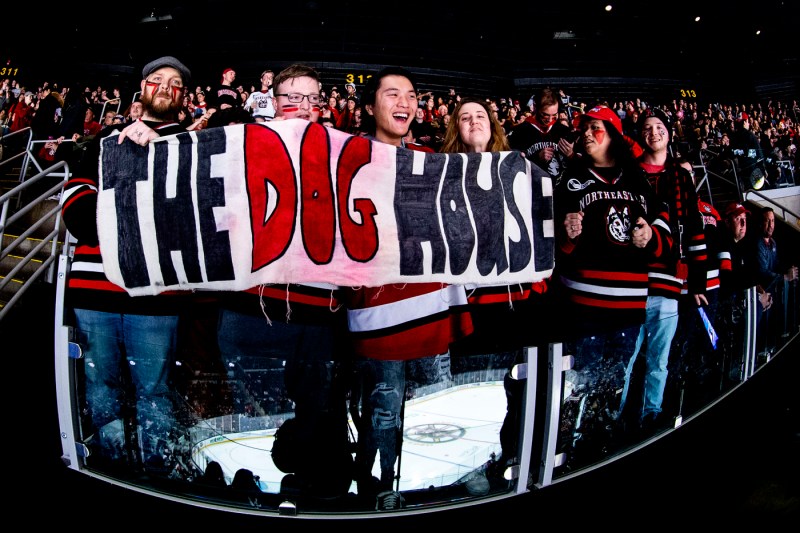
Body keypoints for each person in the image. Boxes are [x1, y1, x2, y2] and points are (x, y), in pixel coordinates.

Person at [215, 63, 353, 500]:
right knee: (251, 413)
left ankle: (312, 493)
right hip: (250, 310)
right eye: (293, 97)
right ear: (274, 103)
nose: (303, 106)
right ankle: (250, 492)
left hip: (317, 315)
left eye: (312, 98)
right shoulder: (241, 146)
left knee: (315, 413)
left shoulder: (345, 152)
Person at [344, 66, 473, 511]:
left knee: (438, 403)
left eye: (412, 95)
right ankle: (378, 492)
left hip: (433, 307)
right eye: (392, 94)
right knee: (382, 412)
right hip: (379, 315)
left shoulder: (430, 160)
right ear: (368, 107)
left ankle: (429, 486)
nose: (404, 102)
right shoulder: (348, 159)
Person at [60, 55, 194, 473]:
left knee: (155, 389)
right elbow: (75, 210)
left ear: (184, 98)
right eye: (157, 80)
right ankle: (111, 465)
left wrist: (125, 194)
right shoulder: (104, 142)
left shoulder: (194, 151)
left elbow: (189, 220)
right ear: (143, 91)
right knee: (100, 384)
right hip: (93, 286)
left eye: (175, 83)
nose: (166, 87)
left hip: (155, 293)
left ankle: (158, 472)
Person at [441, 96, 550, 494]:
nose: (473, 122)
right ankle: (478, 469)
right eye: (465, 117)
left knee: (516, 389)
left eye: (480, 115)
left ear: (493, 124)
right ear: (456, 127)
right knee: (476, 390)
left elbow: (542, 217)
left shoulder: (518, 167)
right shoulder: (445, 172)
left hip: (519, 302)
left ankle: (513, 461)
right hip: (473, 305)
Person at [553, 104, 671, 460]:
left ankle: (600, 450)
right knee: (578, 385)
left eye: (595, 128)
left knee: (615, 384)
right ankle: (568, 453)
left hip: (629, 309)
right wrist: (567, 233)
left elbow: (665, 228)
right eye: (583, 128)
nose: (586, 134)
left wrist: (651, 236)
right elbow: (554, 243)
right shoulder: (571, 177)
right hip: (585, 308)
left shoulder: (637, 178)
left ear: (614, 134)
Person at [618, 108, 707, 433]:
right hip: (630, 283)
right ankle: (614, 420)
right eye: (647, 127)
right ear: (640, 135)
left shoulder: (681, 177)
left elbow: (695, 230)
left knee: (658, 362)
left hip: (668, 282)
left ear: (669, 133)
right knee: (624, 360)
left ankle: (650, 417)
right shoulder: (629, 173)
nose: (653, 132)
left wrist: (697, 281)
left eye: (659, 126)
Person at [753, 206, 798, 355]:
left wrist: (788, 269)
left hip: (774, 292)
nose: (771, 225)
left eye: (772, 221)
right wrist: (784, 277)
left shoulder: (773, 243)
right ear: (761, 223)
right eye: (767, 221)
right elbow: (762, 272)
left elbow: (776, 264)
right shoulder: (758, 244)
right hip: (760, 294)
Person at [507, 87, 575, 184]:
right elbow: (510, 165)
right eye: (545, 115)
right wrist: (536, 159)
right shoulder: (519, 132)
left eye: (554, 115)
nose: (550, 119)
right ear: (535, 107)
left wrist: (572, 155)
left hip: (559, 192)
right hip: (530, 190)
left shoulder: (564, 131)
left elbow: (580, 167)